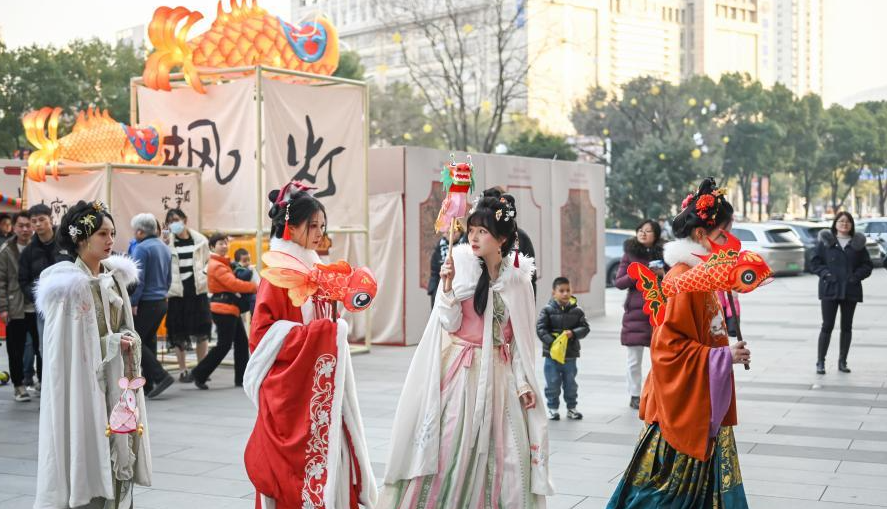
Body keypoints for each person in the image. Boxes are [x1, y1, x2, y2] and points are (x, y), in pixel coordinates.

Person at [379, 195, 553, 508]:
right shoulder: (460, 268)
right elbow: (449, 323)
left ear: (501, 239)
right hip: (461, 373)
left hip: (500, 377)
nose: (473, 236)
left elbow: (517, 343)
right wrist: (446, 289)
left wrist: (524, 382)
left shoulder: (518, 281)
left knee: (508, 455)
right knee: (449, 445)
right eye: (471, 229)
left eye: (482, 231)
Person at [607, 178, 750, 509]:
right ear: (701, 235)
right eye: (721, 235)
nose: (727, 242)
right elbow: (667, 348)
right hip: (683, 406)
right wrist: (722, 354)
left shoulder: (701, 276)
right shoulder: (684, 280)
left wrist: (724, 353)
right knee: (665, 493)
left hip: (701, 396)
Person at [242, 182, 377, 508]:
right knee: (299, 470)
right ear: (291, 227)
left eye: (322, 226)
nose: (319, 233)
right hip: (292, 392)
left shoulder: (314, 269)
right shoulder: (276, 275)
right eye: (312, 225)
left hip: (324, 386)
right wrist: (324, 335)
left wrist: (338, 314)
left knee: (333, 453)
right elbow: (261, 339)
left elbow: (326, 320)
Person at [34, 200, 151, 508]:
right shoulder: (66, 286)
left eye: (112, 233)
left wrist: (127, 340)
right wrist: (113, 344)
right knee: (87, 444)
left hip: (118, 386)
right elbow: (66, 355)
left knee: (119, 448)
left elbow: (126, 325)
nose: (110, 240)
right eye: (102, 233)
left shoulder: (114, 277)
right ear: (81, 238)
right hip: (86, 388)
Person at [187, 234, 255, 389]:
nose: (224, 245)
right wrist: (255, 287)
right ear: (212, 247)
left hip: (230, 308)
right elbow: (234, 285)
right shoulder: (216, 265)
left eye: (225, 243)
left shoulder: (224, 263)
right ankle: (199, 373)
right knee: (224, 345)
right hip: (223, 308)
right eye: (220, 243)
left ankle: (241, 378)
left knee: (241, 343)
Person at [809, 211, 872, 374]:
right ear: (835, 224)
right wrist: (826, 274)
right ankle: (820, 362)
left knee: (847, 327)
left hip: (850, 290)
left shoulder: (858, 244)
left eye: (848, 222)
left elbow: (867, 265)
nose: (844, 224)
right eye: (841, 221)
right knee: (827, 326)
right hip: (830, 288)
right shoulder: (825, 242)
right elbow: (815, 263)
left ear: (851, 225)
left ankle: (842, 361)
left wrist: (855, 277)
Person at [614, 220, 666, 410]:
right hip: (635, 314)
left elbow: (674, 280)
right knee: (634, 361)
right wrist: (636, 274)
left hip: (659, 312)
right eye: (640, 230)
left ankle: (658, 392)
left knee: (660, 358)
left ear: (656, 235)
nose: (643, 233)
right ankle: (635, 395)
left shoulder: (665, 254)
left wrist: (662, 273)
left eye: (648, 231)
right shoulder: (630, 254)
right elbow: (619, 282)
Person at [18, 203, 71, 388]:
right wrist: (38, 298)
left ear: (51, 220)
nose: (38, 224)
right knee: (45, 348)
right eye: (34, 221)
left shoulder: (66, 244)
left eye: (42, 220)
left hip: (70, 306)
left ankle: (69, 385)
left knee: (69, 346)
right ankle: (50, 388)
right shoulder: (28, 252)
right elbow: (23, 280)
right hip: (44, 310)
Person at [129, 213, 176, 399]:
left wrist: (133, 302)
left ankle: (161, 376)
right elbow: (169, 277)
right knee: (148, 340)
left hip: (146, 302)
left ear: (140, 231)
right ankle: (148, 384)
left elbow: (138, 280)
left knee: (136, 341)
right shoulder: (164, 247)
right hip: (161, 300)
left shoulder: (141, 248)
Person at [163, 208, 211, 381]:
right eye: (170, 221)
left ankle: (201, 369)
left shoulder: (200, 240)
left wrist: (204, 277)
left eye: (176, 219)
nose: (173, 223)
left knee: (202, 330)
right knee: (178, 332)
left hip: (197, 290)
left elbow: (208, 262)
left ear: (185, 219)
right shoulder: (168, 243)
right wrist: (165, 240)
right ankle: (183, 369)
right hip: (177, 292)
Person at [536, 276, 589, 421]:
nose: (565, 293)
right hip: (552, 356)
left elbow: (585, 328)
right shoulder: (547, 310)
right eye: (561, 291)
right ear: (554, 292)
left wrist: (573, 333)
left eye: (568, 290)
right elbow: (541, 329)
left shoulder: (577, 311)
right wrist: (553, 342)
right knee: (552, 382)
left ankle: (572, 408)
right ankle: (552, 408)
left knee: (570, 383)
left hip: (570, 355)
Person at [0, 211, 39, 402]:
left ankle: (40, 381)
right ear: (14, 227)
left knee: (41, 348)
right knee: (15, 349)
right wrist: (3, 308)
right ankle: (19, 385)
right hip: (15, 307)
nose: (25, 229)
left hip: (37, 307)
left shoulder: (38, 247)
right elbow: (1, 282)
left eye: (28, 225)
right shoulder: (6, 250)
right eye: (21, 225)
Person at [427, 233, 449, 307]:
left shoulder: (465, 246)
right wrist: (433, 291)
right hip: (439, 290)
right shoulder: (439, 249)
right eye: (447, 231)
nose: (450, 232)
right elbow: (434, 272)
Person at [232, 247, 257, 314]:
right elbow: (242, 277)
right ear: (238, 262)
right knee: (254, 299)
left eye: (249, 260)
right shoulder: (238, 269)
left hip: (247, 293)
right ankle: (253, 317)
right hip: (242, 295)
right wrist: (249, 270)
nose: (247, 263)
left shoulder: (246, 268)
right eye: (244, 261)